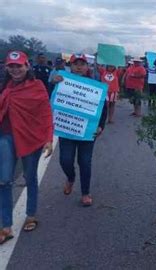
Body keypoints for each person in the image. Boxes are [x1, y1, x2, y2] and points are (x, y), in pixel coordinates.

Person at [0, 51, 53, 244]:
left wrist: (48, 138)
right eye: (11, 66)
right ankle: (6, 226)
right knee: (4, 180)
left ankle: (31, 214)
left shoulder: (37, 87)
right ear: (6, 67)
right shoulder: (4, 86)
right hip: (6, 137)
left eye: (19, 66)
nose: (15, 70)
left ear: (27, 66)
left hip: (31, 138)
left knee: (30, 177)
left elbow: (46, 113)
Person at [51, 54, 107, 207]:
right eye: (76, 64)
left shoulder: (95, 85)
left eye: (82, 64)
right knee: (65, 160)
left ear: (87, 66)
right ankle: (70, 177)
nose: (79, 66)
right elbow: (50, 98)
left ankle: (85, 192)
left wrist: (101, 125)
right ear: (71, 66)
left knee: (85, 162)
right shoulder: (62, 81)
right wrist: (52, 83)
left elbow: (103, 107)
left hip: (87, 131)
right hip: (67, 129)